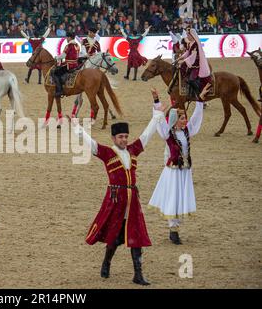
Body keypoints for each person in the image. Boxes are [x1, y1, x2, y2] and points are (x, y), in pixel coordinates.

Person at [71, 91, 166, 285]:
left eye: (125, 136)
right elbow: (88, 142)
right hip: (115, 199)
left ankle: (138, 274)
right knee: (114, 237)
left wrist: (157, 107)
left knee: (137, 235)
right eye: (120, 137)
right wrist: (75, 126)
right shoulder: (106, 152)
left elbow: (148, 132)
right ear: (114, 138)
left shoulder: (133, 149)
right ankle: (106, 262)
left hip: (132, 200)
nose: (124, 140)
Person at [148, 84, 210, 244]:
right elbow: (159, 119)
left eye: (185, 118)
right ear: (176, 120)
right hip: (173, 171)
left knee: (181, 198)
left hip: (185, 171)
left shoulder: (187, 130)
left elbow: (196, 118)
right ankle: (173, 230)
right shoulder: (167, 133)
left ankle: (175, 228)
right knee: (173, 198)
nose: (186, 121)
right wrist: (156, 100)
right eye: (183, 118)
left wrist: (200, 99)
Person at [177, 28, 212, 100]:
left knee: (191, 80)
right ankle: (190, 92)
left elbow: (193, 56)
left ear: (192, 35)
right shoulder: (190, 43)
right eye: (186, 35)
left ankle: (199, 95)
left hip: (195, 65)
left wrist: (183, 61)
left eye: (188, 35)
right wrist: (180, 58)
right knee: (184, 75)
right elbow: (187, 53)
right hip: (191, 64)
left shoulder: (195, 44)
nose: (187, 36)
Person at [53, 31, 80, 98]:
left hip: (69, 65)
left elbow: (63, 56)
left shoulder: (69, 46)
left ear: (69, 37)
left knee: (56, 73)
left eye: (67, 38)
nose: (66, 39)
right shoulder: (77, 45)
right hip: (76, 64)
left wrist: (56, 57)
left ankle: (60, 91)